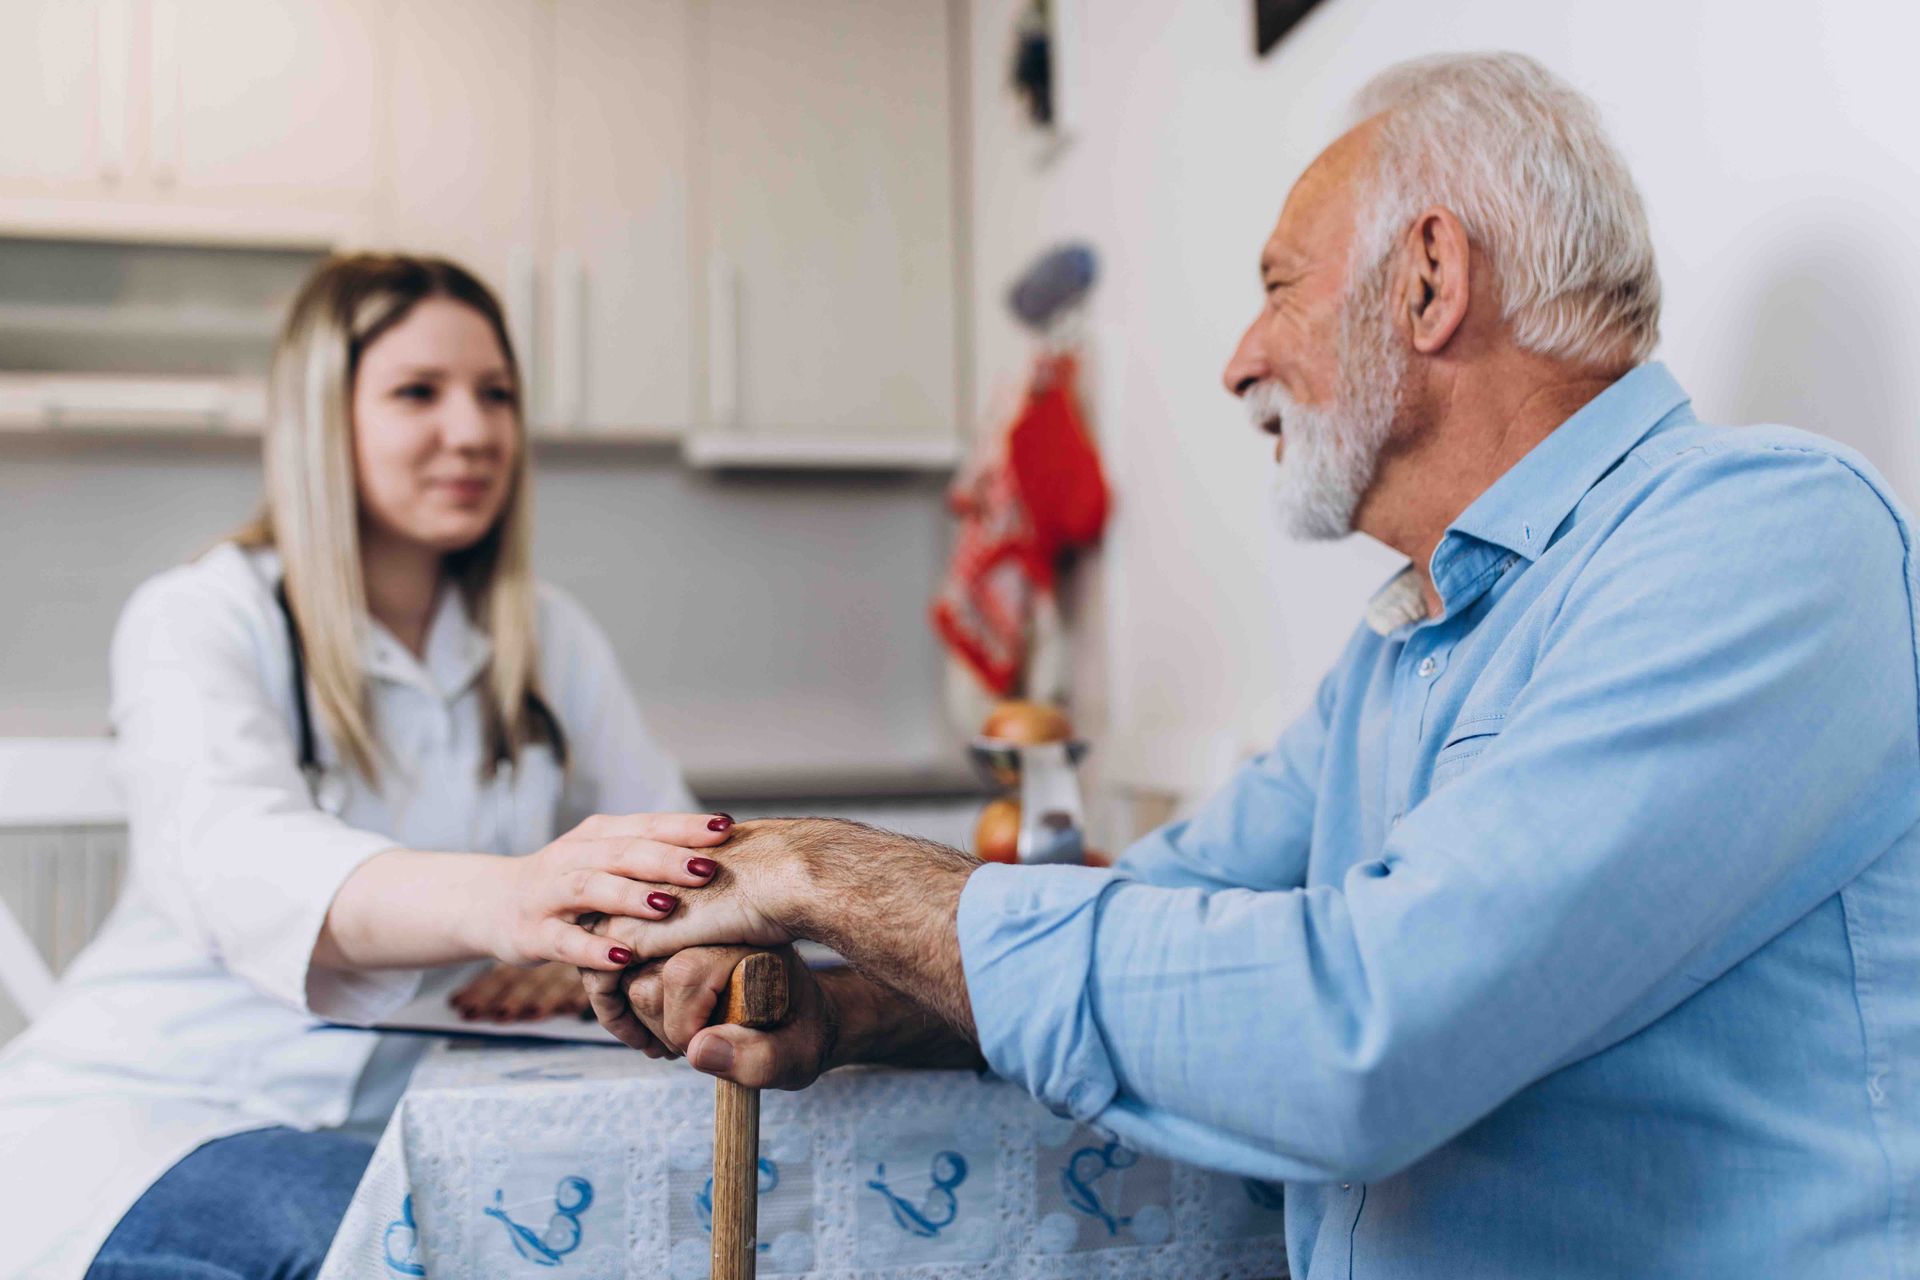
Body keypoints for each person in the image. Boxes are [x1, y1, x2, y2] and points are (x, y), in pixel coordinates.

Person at [582, 53, 1920, 1279]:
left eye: (1279, 286)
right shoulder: (1407, 643)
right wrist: (852, 1004)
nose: (1240, 360)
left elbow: (1363, 1037)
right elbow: (1169, 914)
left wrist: (824, 871)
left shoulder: (1766, 537)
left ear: (1430, 279)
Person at [0, 254, 733, 1280]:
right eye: (417, 392)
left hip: (398, 1129)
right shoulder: (204, 615)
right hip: (148, 1115)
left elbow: (677, 848)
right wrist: (513, 900)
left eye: (497, 395)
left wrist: (587, 940)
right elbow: (235, 855)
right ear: (321, 420)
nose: (473, 431)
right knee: (398, 1243)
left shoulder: (547, 640)